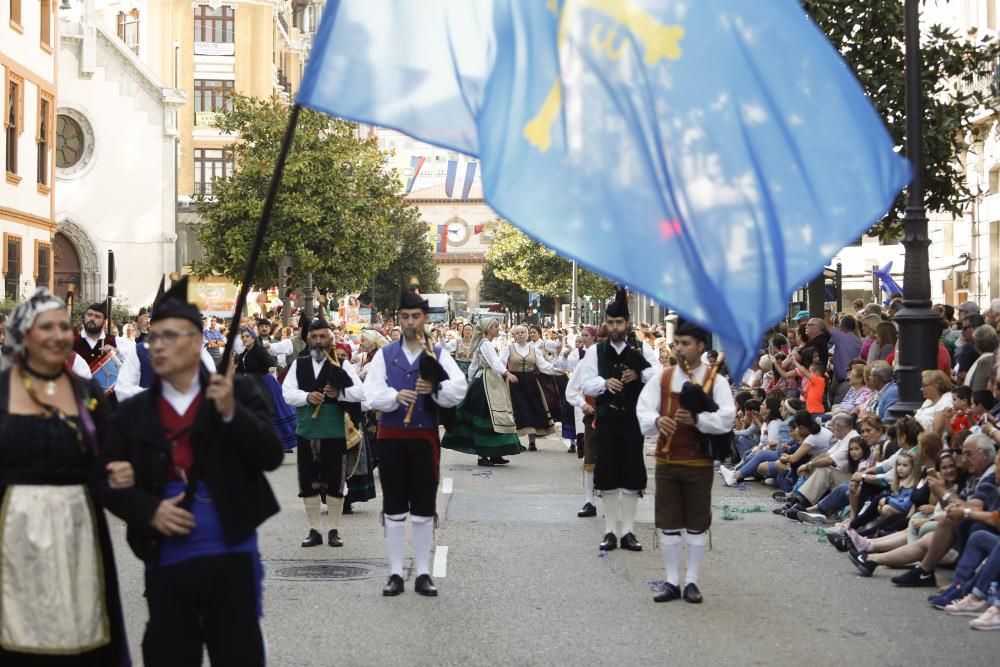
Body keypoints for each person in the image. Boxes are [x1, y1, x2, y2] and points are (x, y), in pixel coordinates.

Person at [99, 277, 284, 666]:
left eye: (171, 336)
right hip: (166, 560)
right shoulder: (133, 413)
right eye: (154, 338)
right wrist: (148, 510)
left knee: (237, 654)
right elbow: (104, 479)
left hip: (232, 556)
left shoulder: (240, 392)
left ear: (198, 341)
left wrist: (233, 412)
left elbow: (270, 455)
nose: (158, 346)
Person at [0, 289, 131, 665]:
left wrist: (140, 500)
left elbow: (111, 459)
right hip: (13, 527)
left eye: (62, 326)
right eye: (47, 327)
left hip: (78, 529)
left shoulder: (86, 393)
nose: (58, 335)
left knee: (80, 628)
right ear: (24, 335)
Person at [363, 286, 468, 597]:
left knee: (423, 505)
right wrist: (395, 396)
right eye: (405, 317)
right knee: (394, 504)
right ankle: (395, 573)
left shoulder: (438, 355)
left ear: (424, 319)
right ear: (400, 319)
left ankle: (422, 572)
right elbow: (370, 394)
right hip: (391, 438)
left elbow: (458, 390)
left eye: (416, 317)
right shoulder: (385, 355)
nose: (410, 322)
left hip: (424, 438)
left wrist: (432, 390)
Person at [637, 318, 736, 603]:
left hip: (698, 462)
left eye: (685, 343)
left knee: (695, 522)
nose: (679, 349)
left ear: (700, 346)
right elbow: (643, 409)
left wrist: (697, 419)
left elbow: (727, 418)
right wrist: (657, 420)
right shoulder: (664, 377)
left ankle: (691, 581)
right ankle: (671, 581)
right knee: (668, 522)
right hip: (667, 460)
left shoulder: (715, 380)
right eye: (676, 343)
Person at [576, 287, 660, 553]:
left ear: (627, 324)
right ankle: (610, 531)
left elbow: (658, 375)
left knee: (632, 474)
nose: (614, 327)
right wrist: (604, 382)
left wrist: (638, 374)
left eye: (619, 322)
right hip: (608, 419)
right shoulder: (596, 352)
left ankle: (629, 532)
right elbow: (584, 383)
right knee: (609, 473)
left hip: (634, 420)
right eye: (610, 322)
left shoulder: (641, 348)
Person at [282, 319, 365, 547]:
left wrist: (339, 393)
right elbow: (287, 393)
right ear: (308, 339)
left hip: (334, 432)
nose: (318, 341)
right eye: (314, 337)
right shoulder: (299, 365)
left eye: (322, 337)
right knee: (307, 482)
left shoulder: (342, 364)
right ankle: (314, 530)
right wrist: (307, 397)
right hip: (307, 430)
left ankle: (334, 530)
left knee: (334, 482)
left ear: (331, 339)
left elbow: (360, 392)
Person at [441, 317, 522, 466]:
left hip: (488, 381)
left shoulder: (484, 344)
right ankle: (483, 455)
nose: (498, 328)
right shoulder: (485, 344)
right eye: (495, 326)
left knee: (494, 418)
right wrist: (507, 373)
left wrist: (471, 381)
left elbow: (473, 365)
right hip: (486, 382)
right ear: (488, 329)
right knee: (486, 417)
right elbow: (494, 362)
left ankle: (495, 453)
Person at [503, 324, 560, 450]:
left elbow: (543, 365)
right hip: (514, 382)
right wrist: (507, 374)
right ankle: (514, 441)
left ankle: (532, 442)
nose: (521, 334)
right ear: (514, 335)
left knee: (532, 409)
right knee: (517, 410)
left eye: (523, 332)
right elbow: (501, 365)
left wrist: (557, 370)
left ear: (527, 334)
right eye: (518, 333)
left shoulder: (534, 349)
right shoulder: (508, 348)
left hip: (530, 381)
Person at [564, 325, 600, 516]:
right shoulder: (585, 362)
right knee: (591, 457)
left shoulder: (624, 361)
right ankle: (589, 501)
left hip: (619, 418)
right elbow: (571, 390)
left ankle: (617, 499)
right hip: (594, 416)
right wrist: (583, 404)